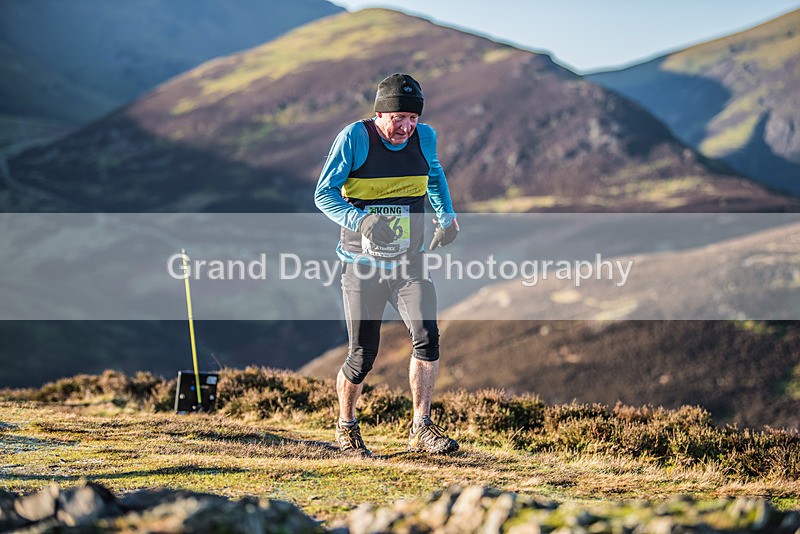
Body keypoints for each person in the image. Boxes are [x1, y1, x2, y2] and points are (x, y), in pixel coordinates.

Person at [314, 73, 460, 456]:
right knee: (362, 354)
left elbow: (434, 174)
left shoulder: (424, 137)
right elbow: (323, 194)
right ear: (380, 114)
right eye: (398, 118)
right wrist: (361, 220)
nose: (406, 127)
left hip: (409, 263)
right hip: (361, 265)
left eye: (413, 118)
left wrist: (447, 218)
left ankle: (422, 427)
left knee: (427, 337)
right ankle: (346, 427)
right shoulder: (355, 138)